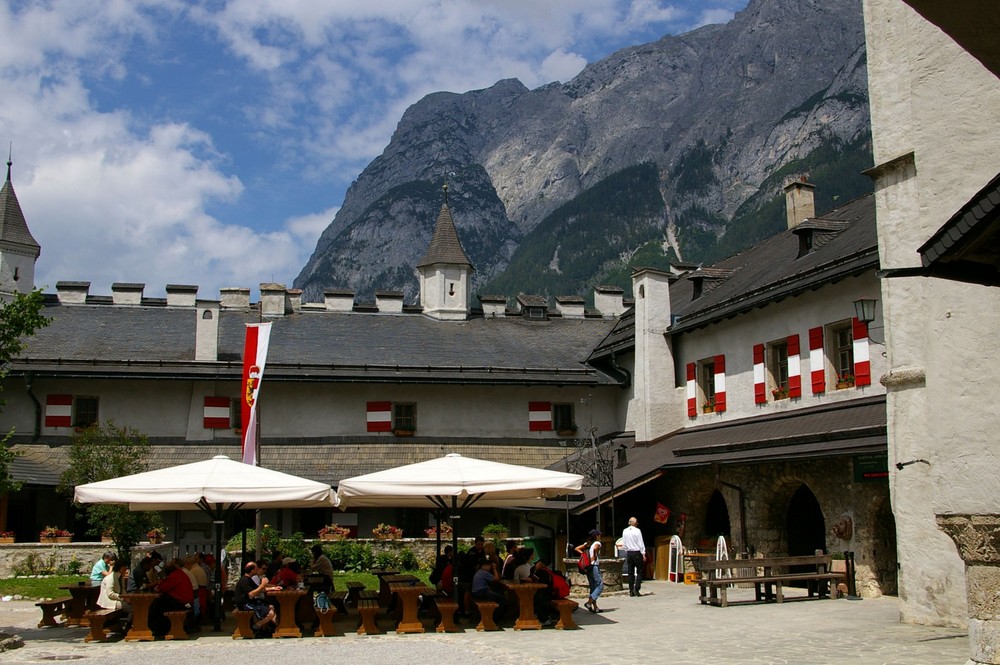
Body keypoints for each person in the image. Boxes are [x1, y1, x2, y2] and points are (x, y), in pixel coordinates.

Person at [234, 560, 276, 636]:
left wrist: (274, 588)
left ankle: (263, 629)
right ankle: (256, 626)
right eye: (256, 569)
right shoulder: (244, 580)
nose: (257, 570)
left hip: (251, 601)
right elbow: (252, 594)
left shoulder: (249, 579)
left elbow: (259, 589)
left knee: (271, 606)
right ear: (252, 570)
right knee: (271, 613)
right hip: (245, 604)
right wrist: (263, 584)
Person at [97, 559, 134, 628]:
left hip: (116, 599)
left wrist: (127, 598)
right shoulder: (111, 578)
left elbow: (122, 590)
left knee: (135, 605)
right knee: (132, 608)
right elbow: (110, 594)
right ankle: (128, 626)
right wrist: (123, 598)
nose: (126, 570)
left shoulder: (120, 577)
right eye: (125, 568)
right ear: (121, 567)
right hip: (109, 601)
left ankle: (128, 624)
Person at [575, 528, 603, 613]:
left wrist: (583, 554)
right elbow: (595, 548)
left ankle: (595, 607)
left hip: (589, 567)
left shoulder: (588, 544)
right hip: (594, 566)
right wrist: (594, 555)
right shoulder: (597, 543)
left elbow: (577, 548)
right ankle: (589, 603)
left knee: (593, 586)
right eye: (599, 535)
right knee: (600, 585)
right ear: (597, 536)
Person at [471, 557, 505, 623]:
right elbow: (496, 579)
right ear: (484, 565)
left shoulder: (479, 571)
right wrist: (495, 569)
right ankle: (495, 618)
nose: (490, 568)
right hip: (481, 592)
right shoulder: (484, 573)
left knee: (496, 597)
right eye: (489, 566)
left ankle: (494, 617)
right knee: (502, 599)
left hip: (477, 592)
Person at [621, 516, 646, 597]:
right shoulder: (637, 531)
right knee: (639, 571)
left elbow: (624, 543)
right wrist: (643, 553)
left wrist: (626, 549)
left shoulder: (625, 531)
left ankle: (631, 590)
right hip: (637, 552)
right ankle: (637, 589)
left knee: (630, 572)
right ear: (635, 523)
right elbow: (640, 543)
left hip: (629, 552)